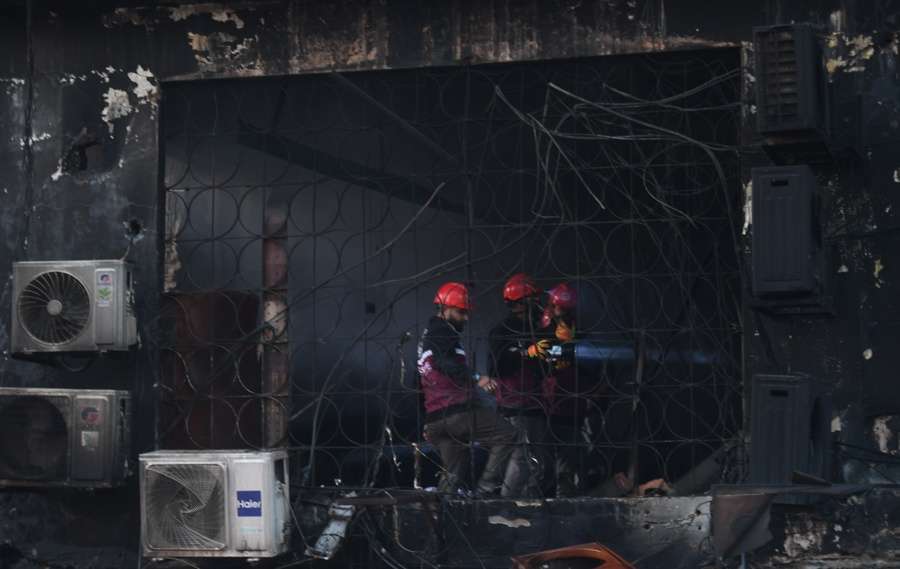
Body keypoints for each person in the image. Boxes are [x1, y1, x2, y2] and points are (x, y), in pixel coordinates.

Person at [417, 281, 526, 497]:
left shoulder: (427, 337)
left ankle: (442, 516)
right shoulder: (442, 332)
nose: (466, 318)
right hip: (457, 413)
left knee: (454, 471)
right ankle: (485, 492)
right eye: (461, 312)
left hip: (436, 419)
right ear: (444, 309)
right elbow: (443, 362)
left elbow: (420, 379)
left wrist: (426, 421)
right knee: (509, 435)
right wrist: (477, 377)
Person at [489, 273, 553, 496]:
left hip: (535, 403)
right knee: (523, 459)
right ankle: (506, 505)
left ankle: (528, 505)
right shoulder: (503, 331)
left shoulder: (538, 329)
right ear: (522, 302)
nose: (537, 303)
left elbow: (546, 367)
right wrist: (525, 353)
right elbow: (496, 367)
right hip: (515, 404)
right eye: (533, 299)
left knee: (538, 460)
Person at [540, 282, 587, 496]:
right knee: (552, 459)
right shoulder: (549, 326)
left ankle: (561, 496)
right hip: (555, 401)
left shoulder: (570, 329)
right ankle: (555, 495)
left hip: (564, 400)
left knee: (564, 458)